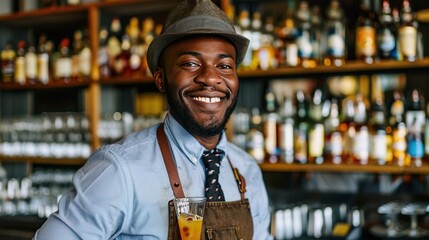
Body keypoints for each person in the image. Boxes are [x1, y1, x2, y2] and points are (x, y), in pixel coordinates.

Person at [33, 0, 271, 239]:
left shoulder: (247, 170)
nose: (210, 78)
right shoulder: (120, 170)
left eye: (224, 65)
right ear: (160, 79)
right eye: (190, 63)